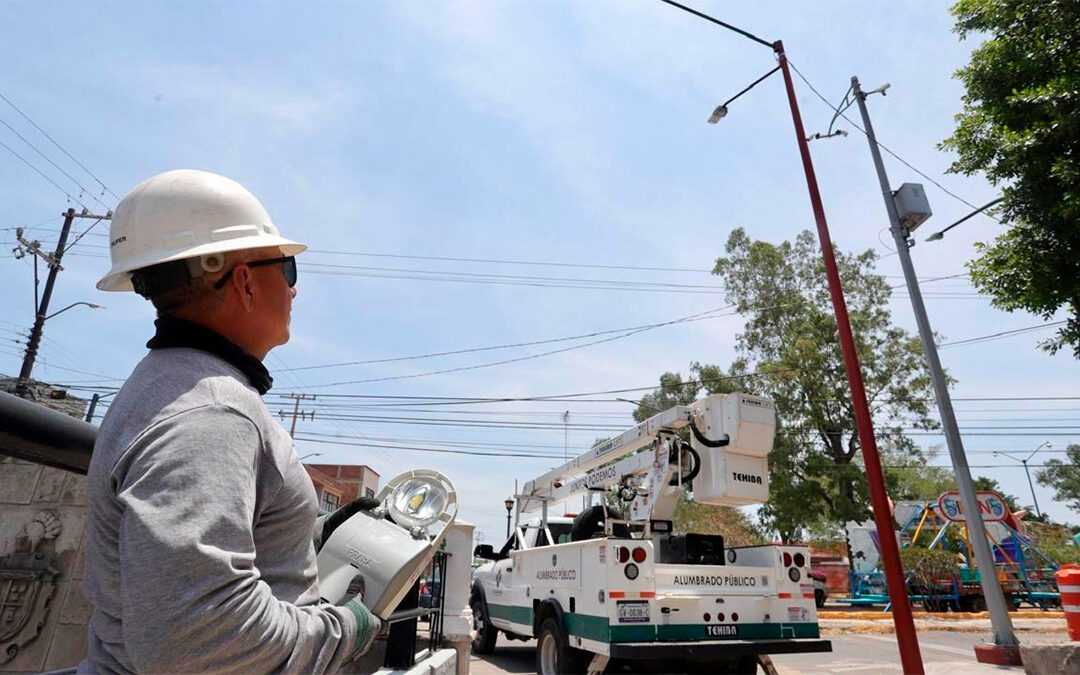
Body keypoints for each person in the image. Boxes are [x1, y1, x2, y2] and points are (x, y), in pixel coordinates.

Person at [79, 169, 380, 673]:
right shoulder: (213, 413)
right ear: (243, 281)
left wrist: (309, 527)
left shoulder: (166, 387)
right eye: (287, 270)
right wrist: (345, 628)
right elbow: (200, 638)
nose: (294, 291)